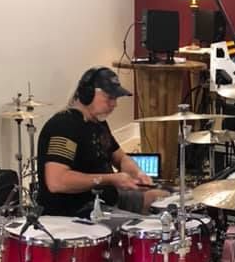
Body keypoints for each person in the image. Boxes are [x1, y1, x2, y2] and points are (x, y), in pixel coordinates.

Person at [37, 66, 166, 217]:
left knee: (162, 197)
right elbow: (57, 182)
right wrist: (110, 179)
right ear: (87, 94)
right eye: (109, 97)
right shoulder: (64, 125)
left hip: (105, 199)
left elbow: (120, 158)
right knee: (143, 225)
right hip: (77, 210)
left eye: (115, 98)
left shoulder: (98, 123)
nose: (114, 104)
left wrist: (137, 173)